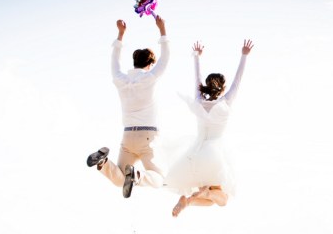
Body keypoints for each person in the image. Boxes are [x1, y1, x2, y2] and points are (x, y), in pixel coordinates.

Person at [166, 38, 253, 217]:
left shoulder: (199, 100)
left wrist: (197, 57)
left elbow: (196, 79)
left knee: (211, 202)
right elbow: (238, 80)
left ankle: (187, 201)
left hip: (195, 152)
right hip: (213, 152)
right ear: (222, 88)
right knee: (223, 200)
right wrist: (244, 55)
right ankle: (201, 194)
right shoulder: (226, 101)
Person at [86, 15, 170, 198]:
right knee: (160, 179)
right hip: (148, 137)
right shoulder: (149, 78)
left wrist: (120, 34)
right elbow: (165, 58)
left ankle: (103, 163)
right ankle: (138, 176)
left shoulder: (120, 80)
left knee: (120, 180)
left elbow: (114, 61)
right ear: (149, 65)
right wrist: (162, 29)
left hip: (128, 136)